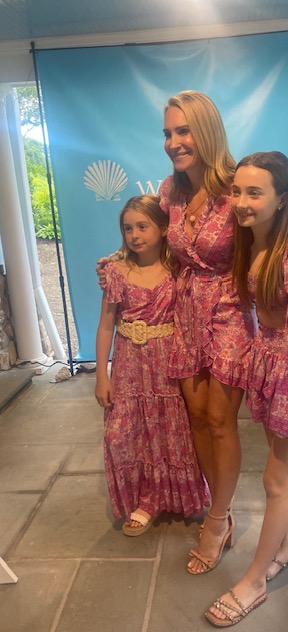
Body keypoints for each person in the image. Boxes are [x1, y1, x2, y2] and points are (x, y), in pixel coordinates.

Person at [97, 91, 288, 573]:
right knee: (197, 419)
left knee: (222, 421)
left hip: (227, 311)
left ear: (206, 131)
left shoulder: (235, 186)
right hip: (183, 312)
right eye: (167, 133)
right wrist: (119, 262)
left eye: (183, 130)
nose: (173, 142)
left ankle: (218, 520)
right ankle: (213, 503)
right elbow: (148, 238)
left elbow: (276, 227)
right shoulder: (171, 191)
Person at [205, 151, 288, 628]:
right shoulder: (253, 244)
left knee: (275, 479)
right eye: (237, 191)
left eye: (255, 192)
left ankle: (255, 581)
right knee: (285, 472)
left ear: (282, 198)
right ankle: (287, 546)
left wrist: (286, 385)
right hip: (271, 363)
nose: (242, 202)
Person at [95, 195, 208, 536]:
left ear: (162, 227)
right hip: (128, 366)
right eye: (128, 228)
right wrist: (101, 375)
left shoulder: (178, 270)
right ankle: (144, 497)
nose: (134, 235)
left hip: (167, 364)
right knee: (124, 434)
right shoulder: (116, 272)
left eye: (142, 226)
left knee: (168, 432)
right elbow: (105, 325)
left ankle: (169, 497)